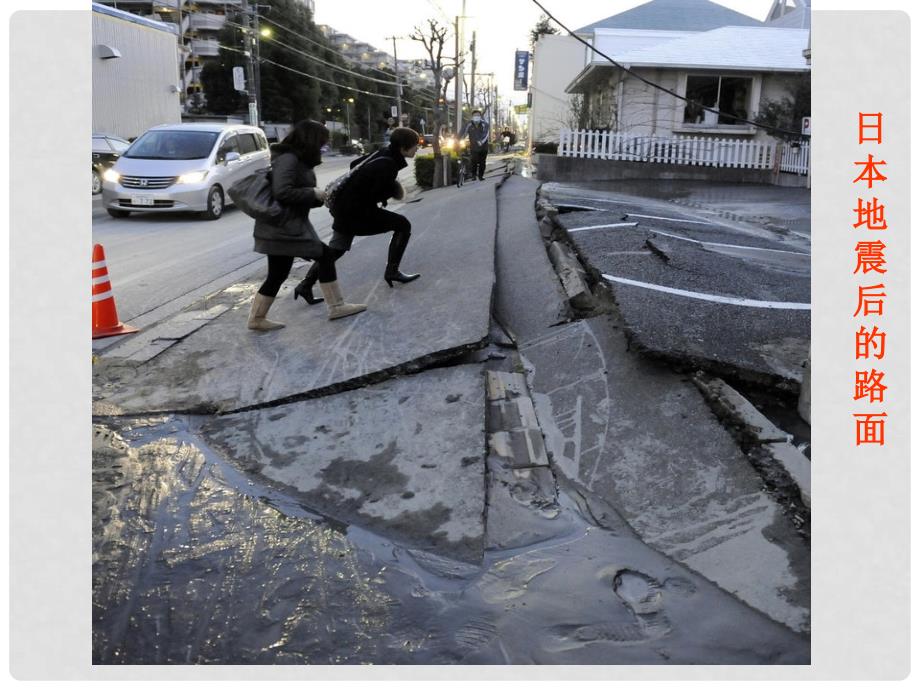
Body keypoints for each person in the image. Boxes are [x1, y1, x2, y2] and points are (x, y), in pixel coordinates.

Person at [249, 119, 366, 329]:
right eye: (322, 140)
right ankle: (336, 306)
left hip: (281, 227)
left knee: (278, 274)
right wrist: (313, 193)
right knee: (326, 255)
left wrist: (318, 198)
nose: (324, 145)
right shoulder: (289, 159)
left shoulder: (294, 158)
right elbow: (282, 192)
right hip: (286, 228)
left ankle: (256, 318)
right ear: (312, 139)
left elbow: (291, 193)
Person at [293, 126, 421, 299]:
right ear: (404, 147)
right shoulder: (388, 163)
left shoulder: (383, 153)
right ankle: (392, 271)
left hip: (344, 208)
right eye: (415, 145)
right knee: (403, 225)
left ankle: (304, 286)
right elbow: (374, 192)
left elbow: (354, 165)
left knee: (336, 249)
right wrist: (389, 191)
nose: (417, 148)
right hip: (356, 212)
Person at [461, 109, 490, 181]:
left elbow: (486, 134)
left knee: (482, 162)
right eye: (474, 115)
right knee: (473, 160)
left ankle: (481, 176)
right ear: (472, 117)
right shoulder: (469, 124)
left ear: (480, 116)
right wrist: (457, 139)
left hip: (483, 147)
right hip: (473, 146)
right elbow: (463, 132)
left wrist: (481, 141)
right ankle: (473, 175)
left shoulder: (485, 124)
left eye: (478, 115)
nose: (476, 117)